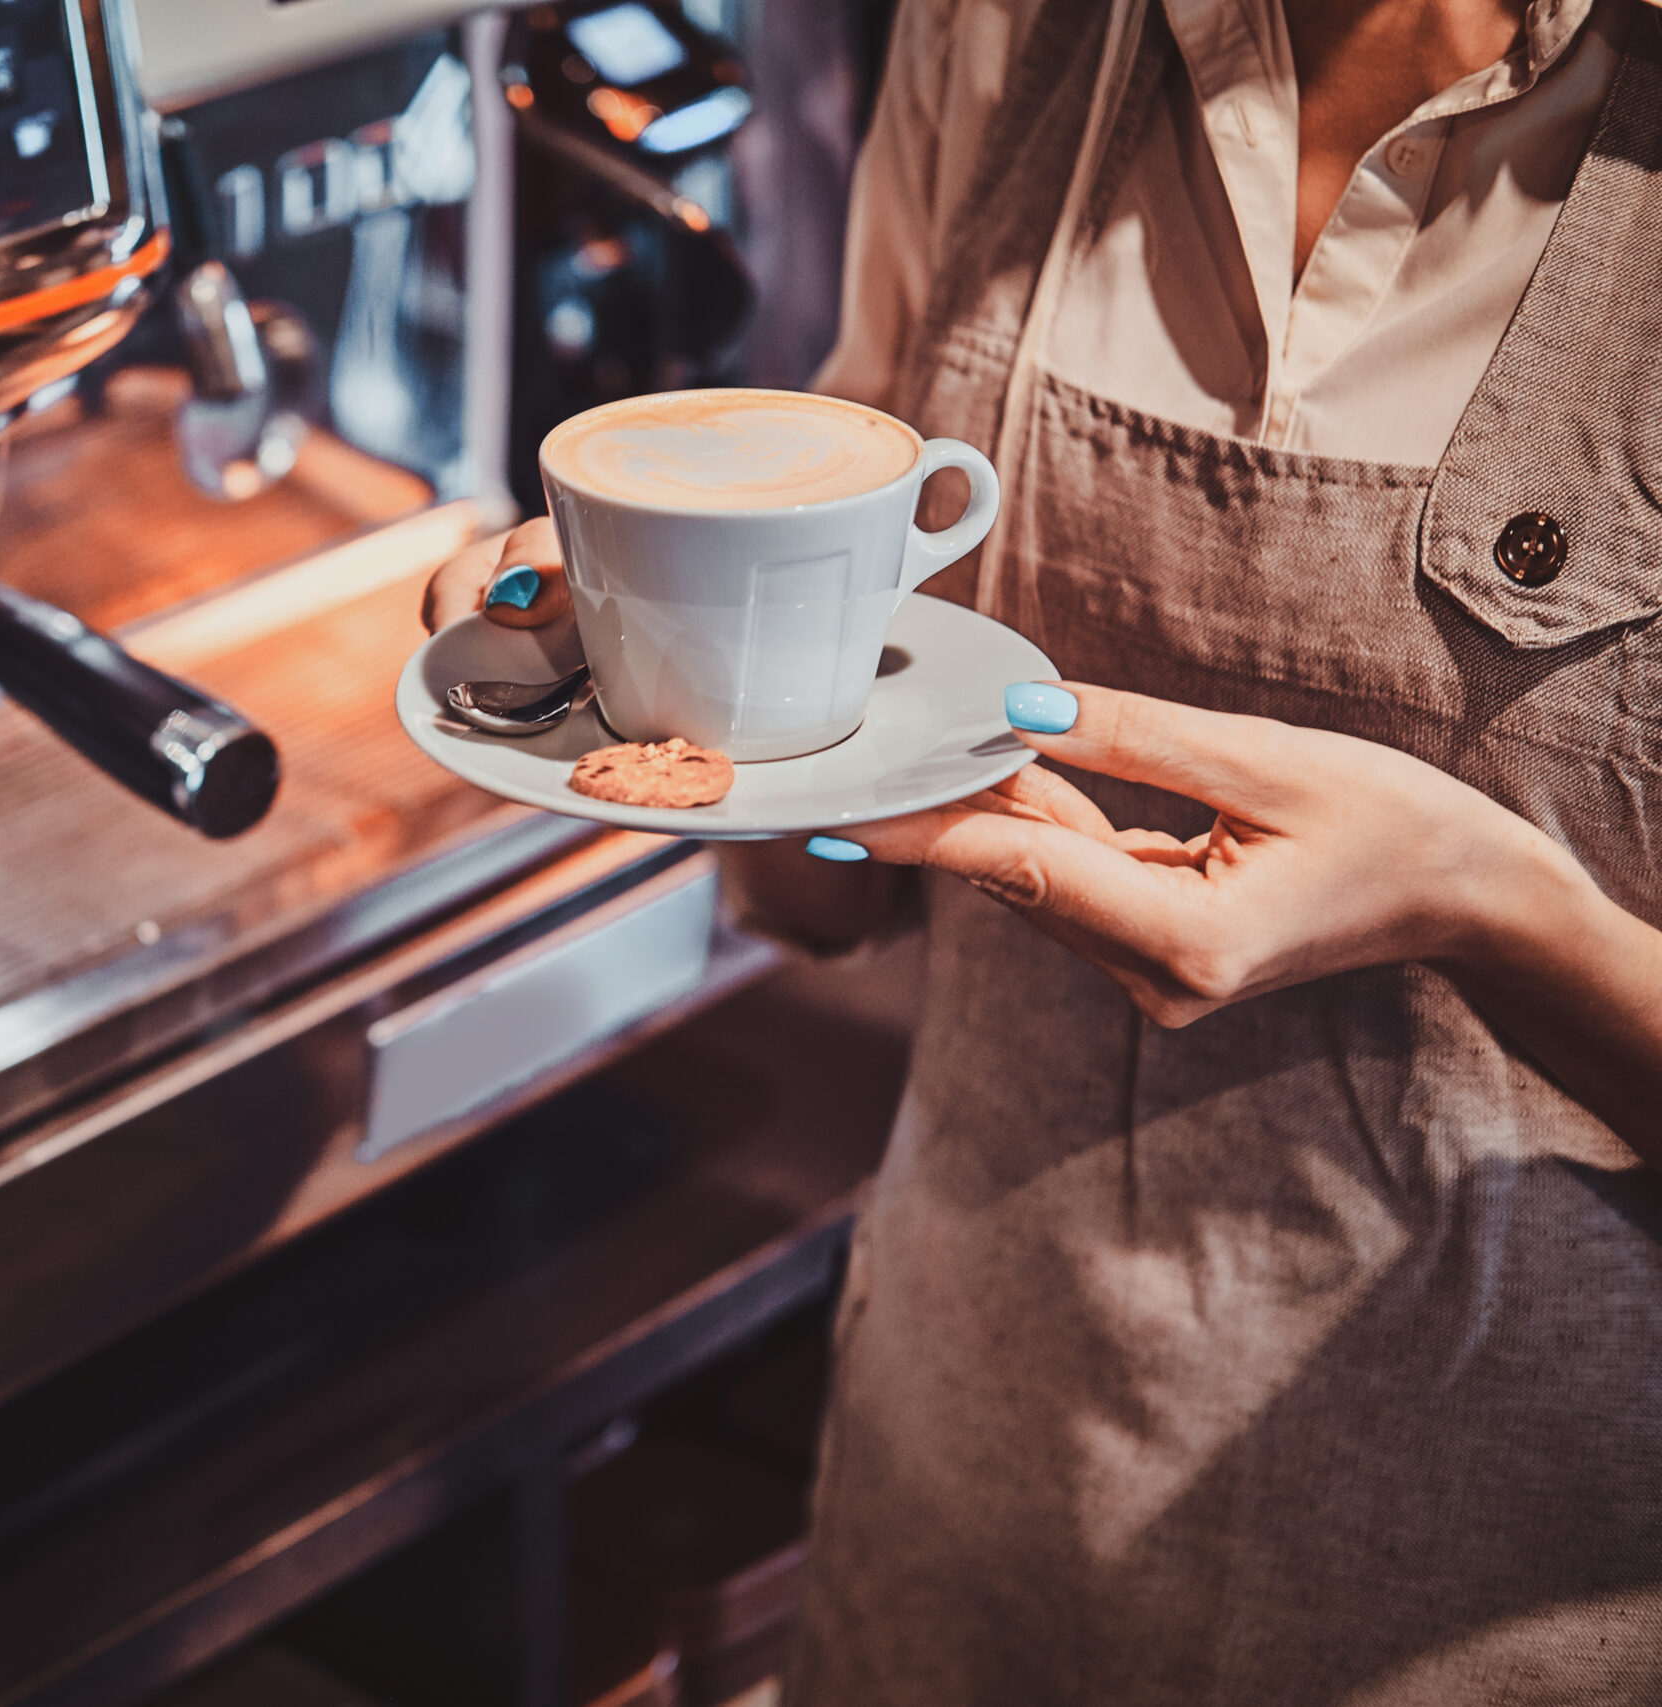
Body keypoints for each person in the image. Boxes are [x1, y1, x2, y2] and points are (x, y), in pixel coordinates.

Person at [425, 0, 1662, 1697]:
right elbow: (825, 895)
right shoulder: (1001, 31)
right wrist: (672, 659)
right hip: (959, 1511)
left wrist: (1487, 904)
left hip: (1494, 1597)